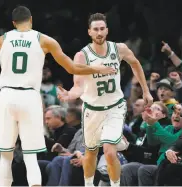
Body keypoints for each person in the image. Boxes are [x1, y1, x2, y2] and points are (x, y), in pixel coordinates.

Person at [0, 6, 115, 187]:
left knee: (5, 154)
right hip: (30, 97)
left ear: (13, 23)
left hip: (8, 96)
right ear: (31, 20)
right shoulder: (44, 40)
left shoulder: (1, 40)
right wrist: (98, 68)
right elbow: (73, 68)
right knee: (30, 154)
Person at [57, 13, 153, 187]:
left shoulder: (119, 49)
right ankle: (88, 184)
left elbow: (135, 63)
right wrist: (69, 95)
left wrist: (146, 91)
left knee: (109, 151)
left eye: (102, 29)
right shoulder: (82, 56)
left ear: (107, 30)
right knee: (91, 152)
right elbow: (78, 86)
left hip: (114, 107)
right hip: (92, 109)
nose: (99, 32)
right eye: (96, 29)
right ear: (89, 32)